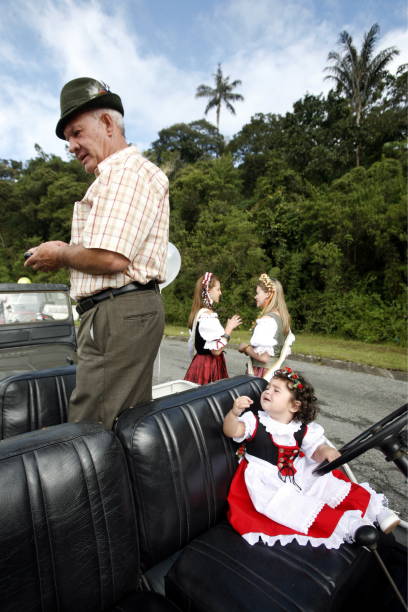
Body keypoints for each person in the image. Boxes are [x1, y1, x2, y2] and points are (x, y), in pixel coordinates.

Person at [25, 77, 169, 428]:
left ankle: (98, 485)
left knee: (94, 426)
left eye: (76, 132)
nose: (71, 146)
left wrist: (59, 253)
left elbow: (110, 258)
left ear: (107, 123)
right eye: (68, 139)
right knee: (120, 420)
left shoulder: (122, 173)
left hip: (117, 311)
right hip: (119, 311)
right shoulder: (118, 175)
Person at [223, 367, 400, 549]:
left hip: (296, 470)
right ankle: (351, 525)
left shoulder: (301, 428)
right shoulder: (254, 421)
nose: (268, 391)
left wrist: (325, 451)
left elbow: (315, 450)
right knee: (294, 504)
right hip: (266, 479)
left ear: (294, 406)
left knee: (329, 484)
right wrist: (234, 413)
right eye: (268, 388)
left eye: (276, 390)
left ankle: (377, 510)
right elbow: (232, 431)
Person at [184, 272, 241, 384]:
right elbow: (216, 351)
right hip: (208, 366)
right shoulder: (207, 316)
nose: (220, 293)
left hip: (201, 363)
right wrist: (229, 329)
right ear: (208, 291)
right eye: (218, 289)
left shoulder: (201, 313)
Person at [238, 274, 294, 378]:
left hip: (264, 373)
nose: (255, 296)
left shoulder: (267, 320)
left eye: (258, 293)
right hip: (276, 371)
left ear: (268, 294)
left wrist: (245, 348)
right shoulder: (281, 317)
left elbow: (264, 358)